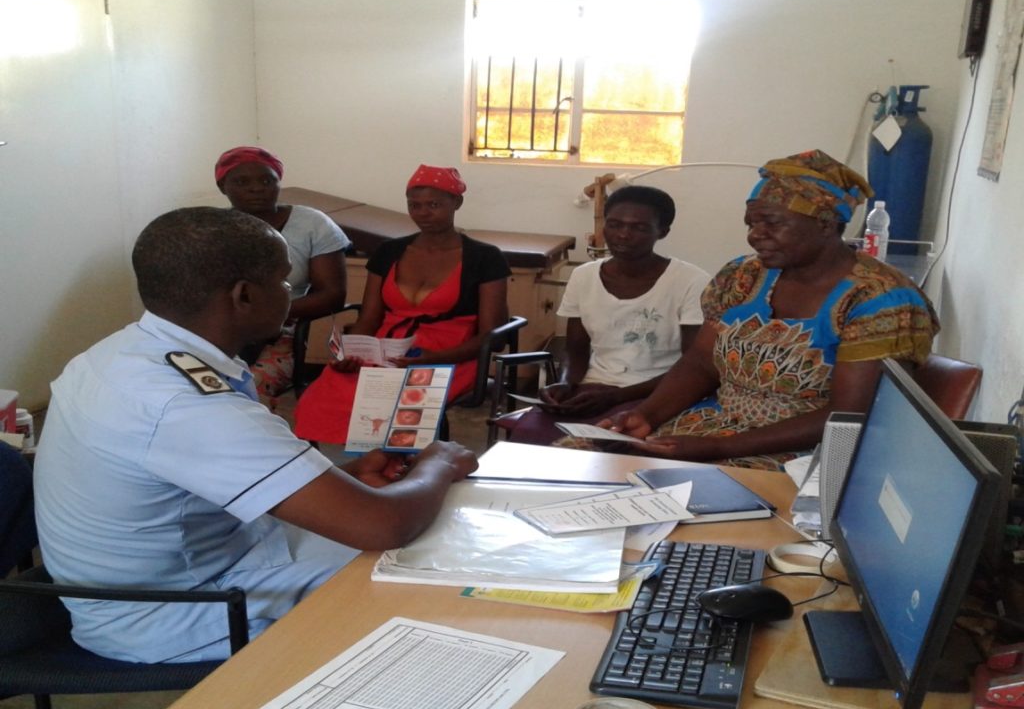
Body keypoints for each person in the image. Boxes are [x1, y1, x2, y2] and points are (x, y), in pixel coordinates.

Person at [32, 206, 478, 664]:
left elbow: (199, 482)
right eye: (285, 282)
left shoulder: (117, 354)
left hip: (194, 563)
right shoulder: (183, 404)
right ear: (243, 296)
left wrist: (345, 478)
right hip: (174, 612)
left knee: (419, 539)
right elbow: (384, 525)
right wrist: (439, 462)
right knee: (429, 571)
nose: (291, 292)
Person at [588, 149, 939, 470]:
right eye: (751, 224)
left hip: (805, 452)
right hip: (713, 426)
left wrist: (717, 448)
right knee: (589, 453)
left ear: (825, 223)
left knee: (677, 491)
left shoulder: (879, 299)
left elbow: (847, 415)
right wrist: (646, 415)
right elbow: (700, 363)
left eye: (772, 223)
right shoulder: (743, 276)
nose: (756, 236)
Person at [293, 165, 511, 445]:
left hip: (449, 355)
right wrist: (352, 352)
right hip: (387, 350)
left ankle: (395, 472)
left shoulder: (485, 257)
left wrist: (432, 359)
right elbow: (369, 318)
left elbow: (490, 337)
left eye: (434, 204)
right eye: (414, 205)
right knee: (325, 395)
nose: (423, 213)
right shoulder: (389, 252)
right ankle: (348, 474)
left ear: (456, 203)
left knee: (399, 407)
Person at [507, 185, 710, 446]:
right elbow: (576, 350)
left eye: (638, 227)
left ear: (662, 231)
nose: (623, 235)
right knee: (530, 439)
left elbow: (692, 366)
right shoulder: (584, 276)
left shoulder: (691, 281)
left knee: (606, 448)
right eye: (614, 224)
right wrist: (567, 384)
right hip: (594, 388)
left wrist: (617, 397)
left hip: (658, 394)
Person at [215, 146, 350, 400]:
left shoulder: (312, 223)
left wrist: (268, 314)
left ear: (279, 183)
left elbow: (332, 295)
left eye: (267, 180)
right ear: (223, 186)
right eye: (242, 181)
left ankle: (256, 437)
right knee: (186, 384)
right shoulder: (212, 229)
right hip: (220, 328)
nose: (256, 188)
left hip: (284, 330)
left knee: (247, 390)